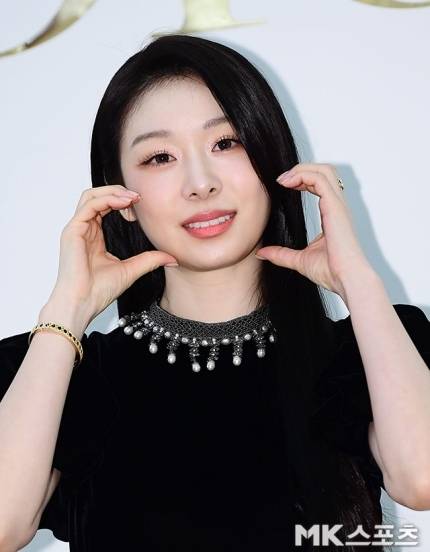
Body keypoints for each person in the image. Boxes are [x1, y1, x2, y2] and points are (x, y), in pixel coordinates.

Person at [0, 34, 429, 552]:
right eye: (160, 157)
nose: (200, 183)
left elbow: (420, 478)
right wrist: (66, 310)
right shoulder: (67, 378)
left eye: (226, 143)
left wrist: (359, 284)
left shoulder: (362, 356)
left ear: (273, 160)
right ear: (122, 198)